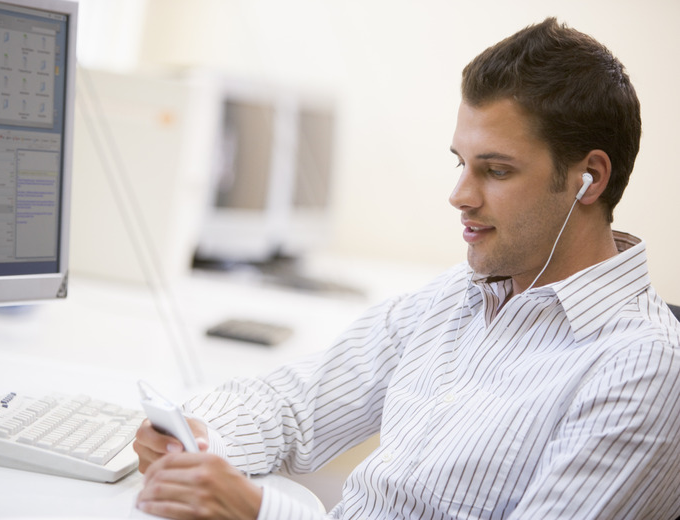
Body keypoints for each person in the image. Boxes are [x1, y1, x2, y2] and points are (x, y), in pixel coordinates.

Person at [133, 18, 680, 520]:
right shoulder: (460, 295)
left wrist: (262, 513)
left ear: (590, 179)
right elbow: (296, 406)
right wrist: (198, 437)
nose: (459, 196)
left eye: (496, 170)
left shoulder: (642, 368)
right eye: (460, 163)